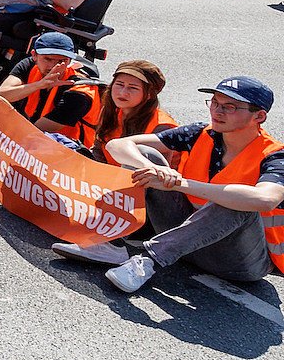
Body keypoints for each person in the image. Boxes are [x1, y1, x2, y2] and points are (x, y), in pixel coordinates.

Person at [77, 76, 284, 294]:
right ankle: (111, 243)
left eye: (230, 107)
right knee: (147, 156)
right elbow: (118, 145)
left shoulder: (276, 156)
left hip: (238, 262)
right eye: (214, 102)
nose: (217, 111)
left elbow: (265, 199)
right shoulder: (202, 132)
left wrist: (180, 184)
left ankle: (149, 261)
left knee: (239, 201)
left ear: (259, 116)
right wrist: (155, 169)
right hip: (185, 239)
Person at [0, 30, 101, 147]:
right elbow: (2, 95)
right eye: (48, 59)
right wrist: (40, 85)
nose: (53, 66)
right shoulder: (29, 64)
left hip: (58, 146)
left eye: (61, 61)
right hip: (25, 131)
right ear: (35, 55)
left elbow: (39, 132)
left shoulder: (80, 92)